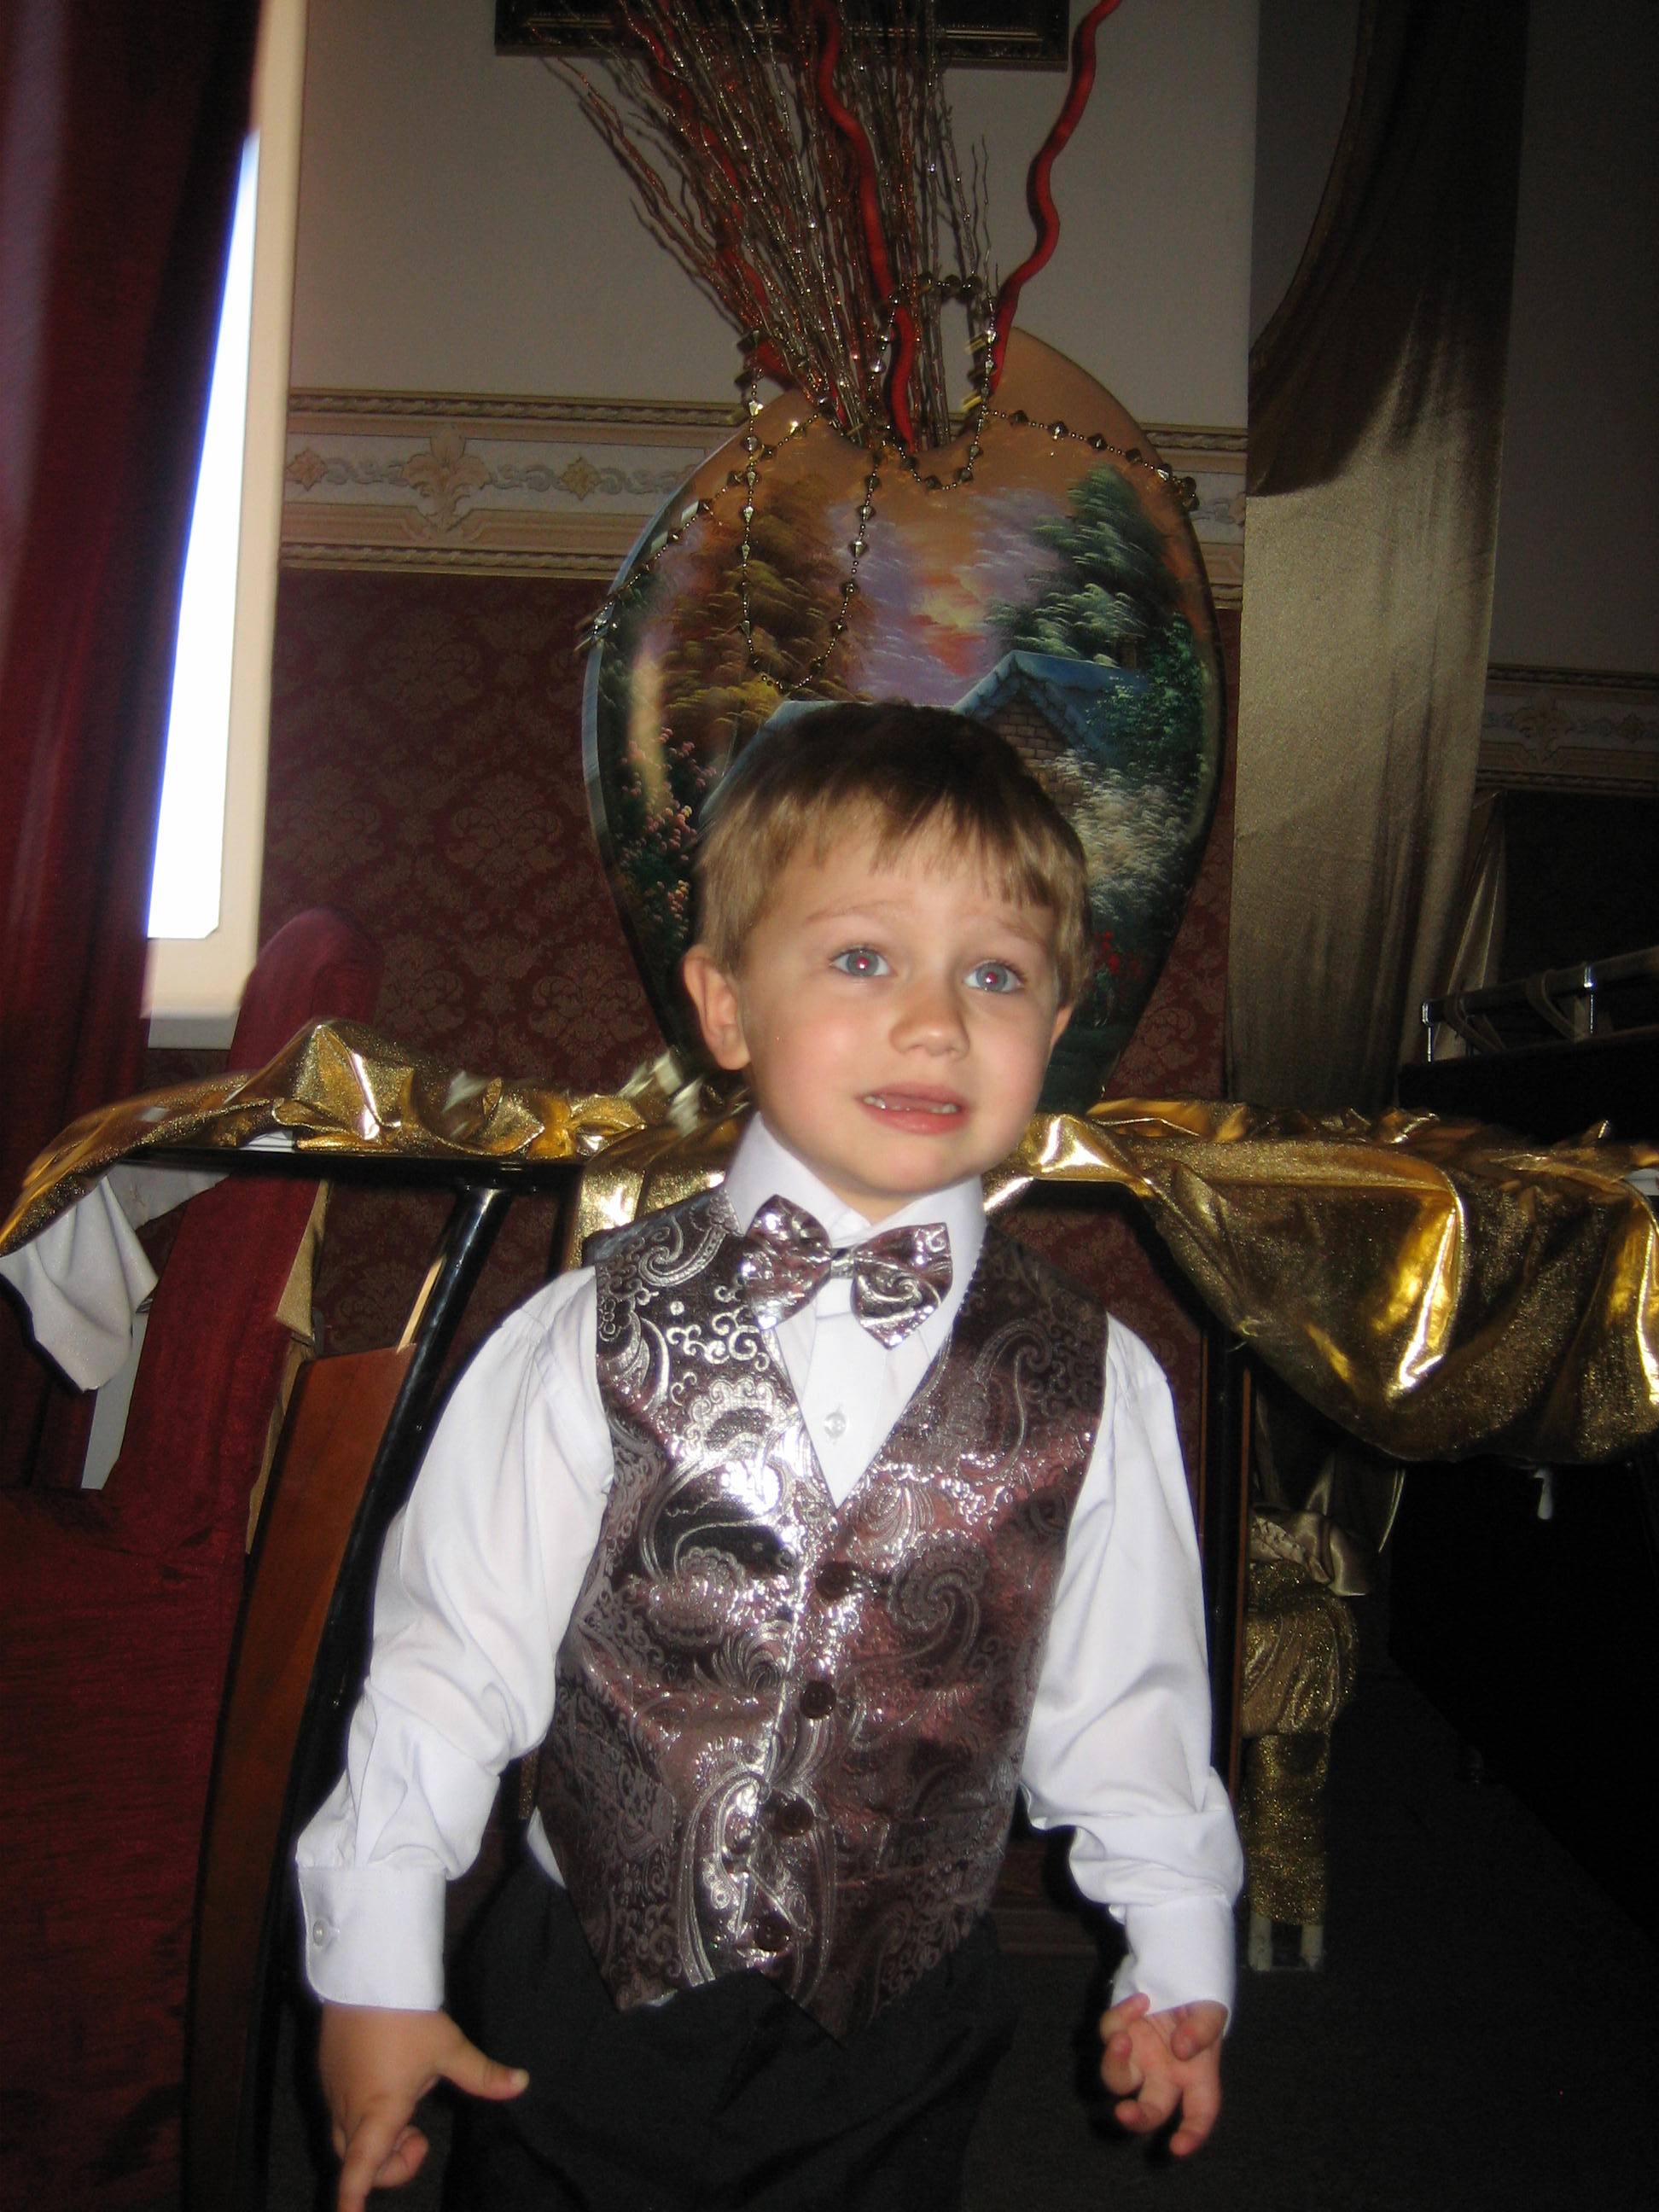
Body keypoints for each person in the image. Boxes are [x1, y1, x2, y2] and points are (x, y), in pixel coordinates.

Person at [297, 701, 1243, 2212]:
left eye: (996, 973)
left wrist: (1176, 1945)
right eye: (863, 958)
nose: (936, 1023)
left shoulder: (1096, 1380)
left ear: (1059, 1028)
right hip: (582, 2000)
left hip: (899, 2033)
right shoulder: (581, 1338)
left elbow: (1129, 1701)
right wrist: (378, 1965)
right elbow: (441, 1670)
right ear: (726, 1006)